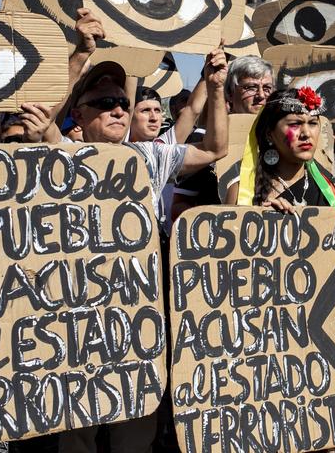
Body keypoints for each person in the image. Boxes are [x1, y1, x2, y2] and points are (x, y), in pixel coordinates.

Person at [53, 43, 229, 453]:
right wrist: (79, 55)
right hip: (79, 306)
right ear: (77, 115)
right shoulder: (63, 155)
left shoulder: (149, 156)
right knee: (77, 420)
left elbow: (214, 149)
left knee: (136, 416)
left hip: (138, 305)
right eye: (104, 102)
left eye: (121, 102)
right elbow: (44, 119)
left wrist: (216, 88)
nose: (119, 109)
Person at [175, 55, 275, 211]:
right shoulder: (204, 137)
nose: (261, 95)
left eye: (267, 88)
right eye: (251, 87)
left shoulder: (278, 140)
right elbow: (180, 204)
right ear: (229, 93)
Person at [236, 87, 335, 210]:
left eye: (313, 123)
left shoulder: (332, 194)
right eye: (295, 124)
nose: (306, 134)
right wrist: (262, 217)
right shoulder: (243, 191)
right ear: (269, 134)